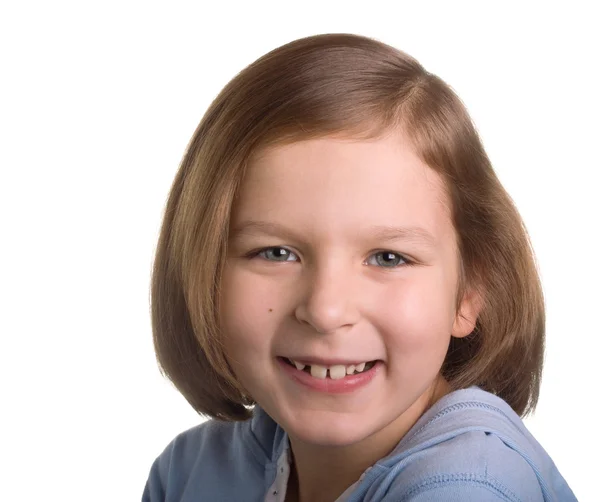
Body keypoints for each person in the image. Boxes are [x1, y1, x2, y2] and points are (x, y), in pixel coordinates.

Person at [142, 33, 577, 501]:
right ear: (202, 271)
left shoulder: (471, 489)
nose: (326, 310)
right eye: (276, 253)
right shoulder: (189, 473)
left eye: (388, 258)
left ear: (470, 290)